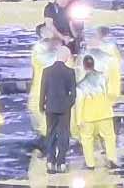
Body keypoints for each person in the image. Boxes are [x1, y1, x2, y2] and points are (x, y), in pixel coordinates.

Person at [40, 45, 79, 174]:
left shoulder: (46, 71)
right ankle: (61, 162)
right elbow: (73, 94)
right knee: (63, 135)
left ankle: (50, 162)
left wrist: (41, 105)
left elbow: (43, 90)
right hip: (64, 109)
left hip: (50, 107)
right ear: (67, 57)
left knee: (50, 134)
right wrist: (67, 105)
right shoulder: (70, 72)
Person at [76, 54, 118, 171]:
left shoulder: (81, 85)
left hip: (88, 117)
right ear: (93, 64)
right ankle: (112, 159)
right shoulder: (103, 78)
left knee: (87, 140)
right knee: (109, 138)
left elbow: (79, 103)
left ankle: (90, 164)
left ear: (84, 66)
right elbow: (110, 93)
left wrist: (78, 120)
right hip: (105, 114)